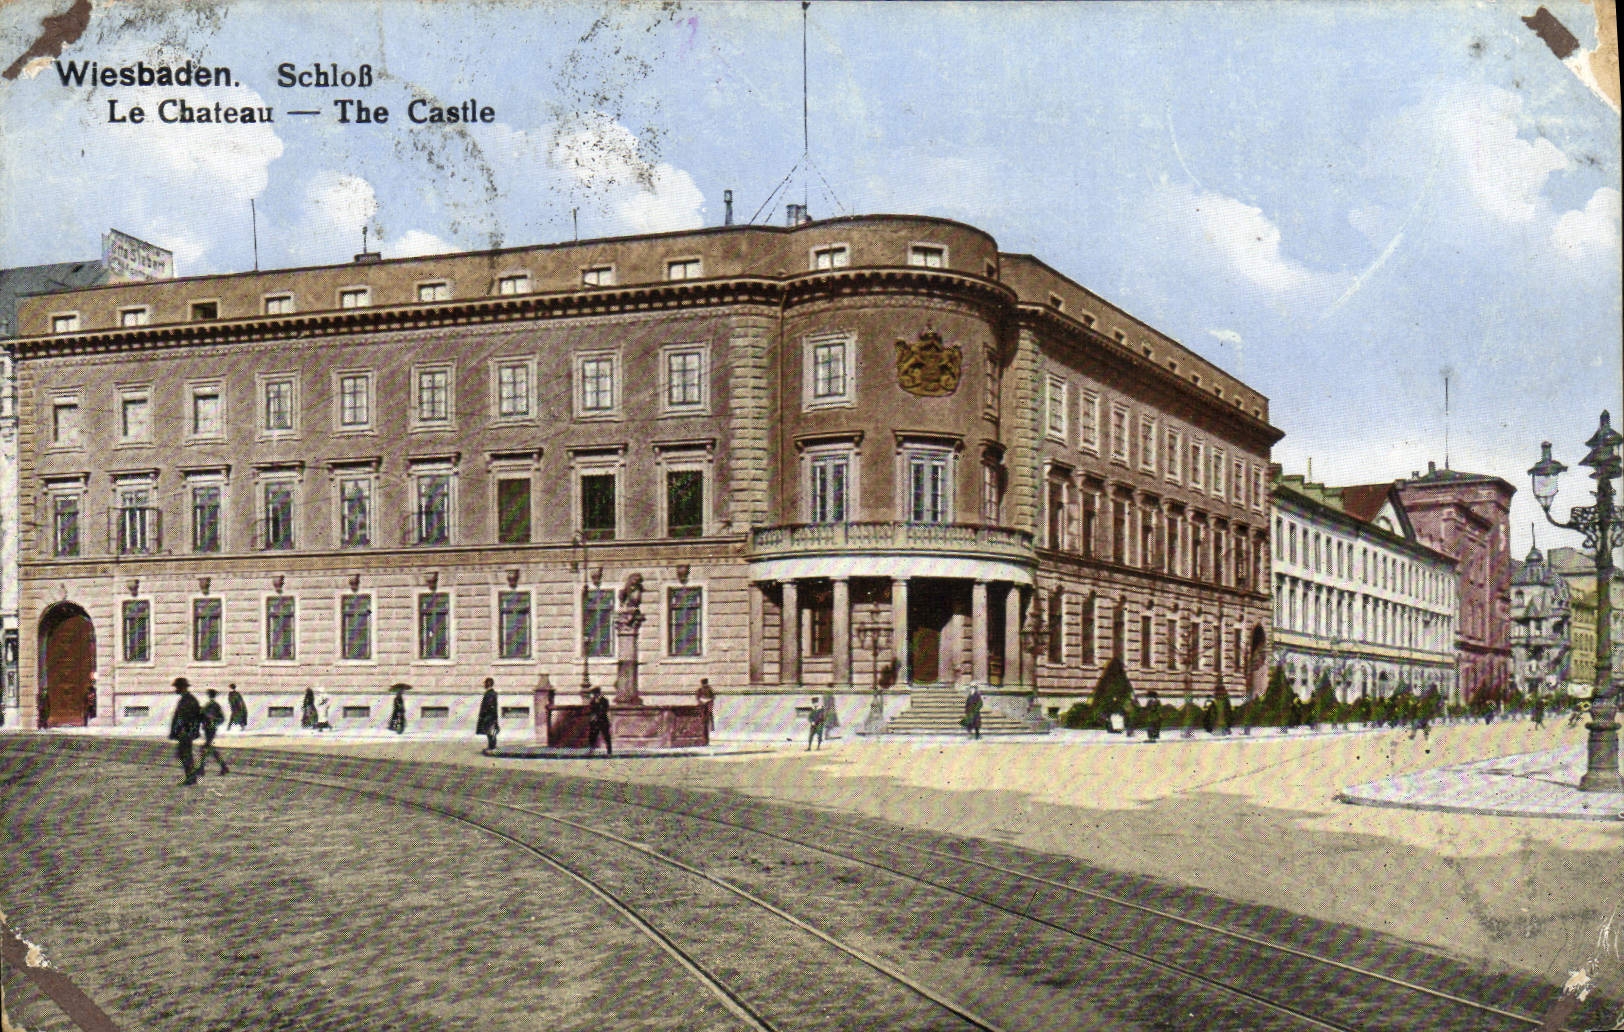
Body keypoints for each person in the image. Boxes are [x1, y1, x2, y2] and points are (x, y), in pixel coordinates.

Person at [169, 678, 203, 786]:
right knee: (184, 754)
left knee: (185, 754)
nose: (175, 689)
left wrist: (183, 730)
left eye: (177, 687)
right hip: (184, 731)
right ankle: (191, 776)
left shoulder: (189, 700)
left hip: (186, 731)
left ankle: (191, 777)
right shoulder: (186, 699)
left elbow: (187, 718)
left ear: (181, 687)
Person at [196, 689, 230, 776]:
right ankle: (222, 767)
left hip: (210, 729)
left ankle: (203, 768)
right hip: (209, 728)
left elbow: (220, 718)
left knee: (206, 747)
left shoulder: (212, 705)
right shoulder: (213, 705)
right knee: (208, 748)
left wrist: (212, 720)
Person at [586, 687, 612, 757]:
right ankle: (591, 750)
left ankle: (609, 751)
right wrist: (592, 717)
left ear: (598, 693)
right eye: (593, 694)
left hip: (603, 720)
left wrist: (597, 715)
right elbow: (591, 710)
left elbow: (605, 710)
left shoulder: (604, 700)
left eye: (595, 694)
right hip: (595, 721)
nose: (594, 695)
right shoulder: (593, 700)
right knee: (592, 735)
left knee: (606, 736)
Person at [476, 677, 500, 753]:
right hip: (491, 716)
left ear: (488, 683)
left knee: (490, 732)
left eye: (485, 683)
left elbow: (489, 706)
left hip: (489, 716)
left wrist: (484, 715)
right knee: (490, 732)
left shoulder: (490, 694)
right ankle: (491, 746)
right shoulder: (492, 693)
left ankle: (492, 747)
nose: (484, 685)